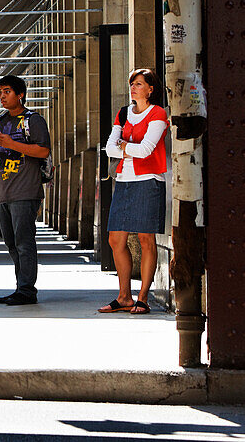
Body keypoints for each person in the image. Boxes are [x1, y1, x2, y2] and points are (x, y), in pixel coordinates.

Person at [100, 68, 169, 315]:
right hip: (124, 180)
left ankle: (143, 298)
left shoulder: (158, 114)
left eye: (139, 84)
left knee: (145, 239)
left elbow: (146, 150)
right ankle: (124, 296)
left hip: (149, 180)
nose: (134, 88)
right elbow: (109, 148)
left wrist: (123, 146)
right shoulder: (123, 113)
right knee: (115, 239)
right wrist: (128, 148)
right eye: (132, 83)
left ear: (151, 89)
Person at [0, 75, 50, 306]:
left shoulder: (34, 120)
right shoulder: (0, 121)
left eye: (7, 91)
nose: (2, 96)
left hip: (26, 190)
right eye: (0, 92)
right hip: (3, 192)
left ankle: (27, 290)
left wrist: (11, 143)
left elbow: (43, 151)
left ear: (20, 94)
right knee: (11, 242)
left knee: (24, 241)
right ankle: (21, 286)